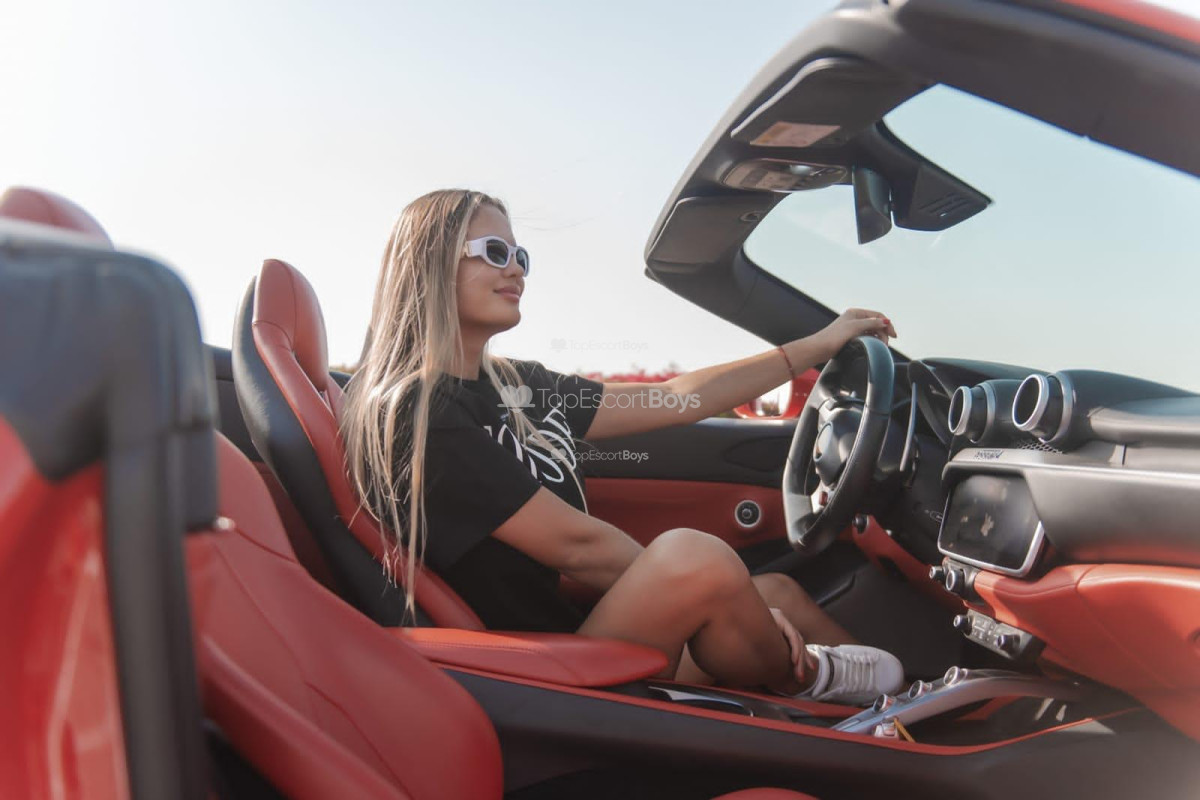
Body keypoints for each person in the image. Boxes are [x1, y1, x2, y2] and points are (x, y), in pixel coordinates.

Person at [341, 189, 904, 704]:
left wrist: (817, 345)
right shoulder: (418, 412)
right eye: (494, 252)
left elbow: (676, 399)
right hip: (532, 674)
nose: (516, 269)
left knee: (778, 590)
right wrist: (729, 600)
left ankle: (912, 714)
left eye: (520, 256)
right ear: (431, 263)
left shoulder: (514, 384)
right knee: (695, 560)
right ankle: (805, 677)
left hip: (576, 635)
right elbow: (578, 547)